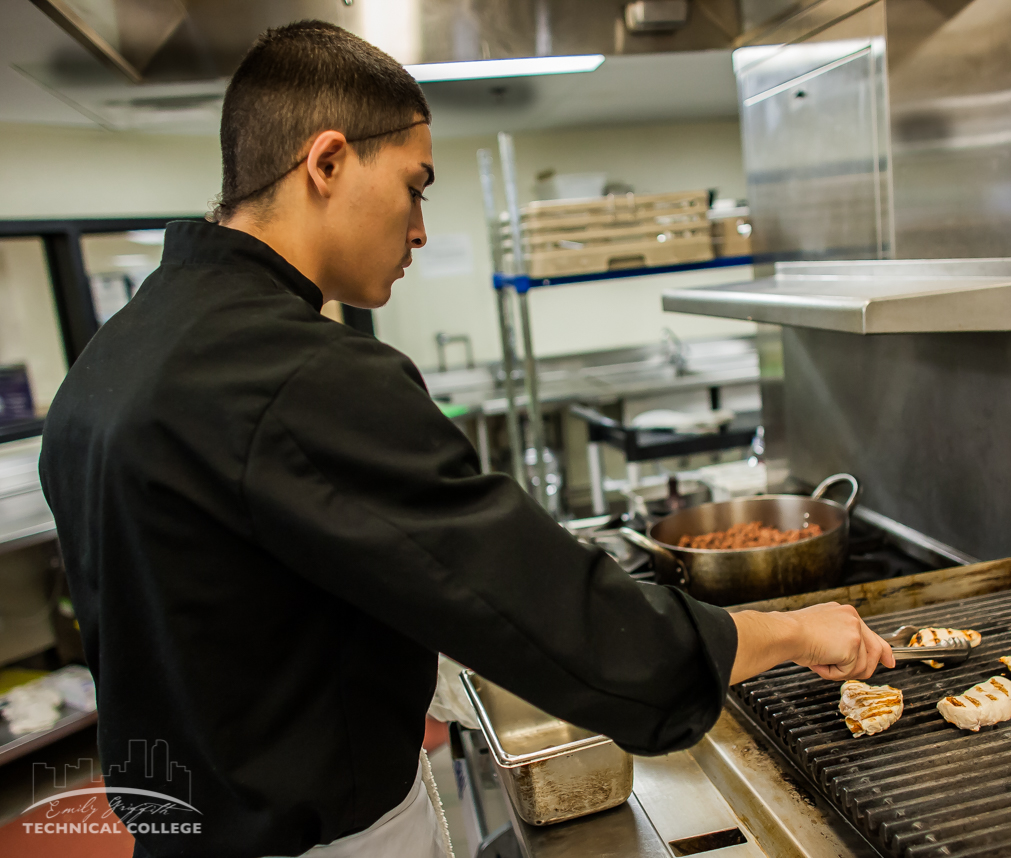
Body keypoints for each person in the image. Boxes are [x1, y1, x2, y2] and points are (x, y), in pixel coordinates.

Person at [38, 20, 893, 858]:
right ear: (327, 162)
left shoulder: (111, 360)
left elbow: (235, 611)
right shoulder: (302, 376)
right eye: (416, 185)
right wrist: (792, 632)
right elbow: (570, 619)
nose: (419, 228)